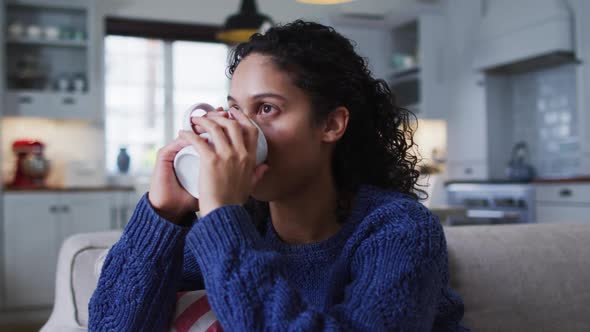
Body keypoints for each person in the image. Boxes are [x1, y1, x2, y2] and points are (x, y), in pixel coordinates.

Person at [89, 20, 468, 331]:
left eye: (267, 108)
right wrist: (163, 212)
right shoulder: (245, 222)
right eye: (235, 109)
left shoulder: (398, 230)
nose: (242, 130)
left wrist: (221, 217)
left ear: (331, 125)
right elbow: (110, 326)